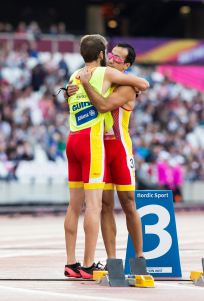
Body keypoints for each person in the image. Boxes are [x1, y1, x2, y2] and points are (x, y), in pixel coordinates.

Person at [62, 35, 149, 279]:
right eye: (110, 55)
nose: (111, 59)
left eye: (117, 57)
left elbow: (102, 105)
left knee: (129, 204)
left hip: (118, 149)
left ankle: (139, 257)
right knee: (104, 207)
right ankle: (111, 260)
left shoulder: (124, 85)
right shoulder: (102, 77)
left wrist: (81, 88)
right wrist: (71, 92)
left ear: (126, 65)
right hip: (97, 146)